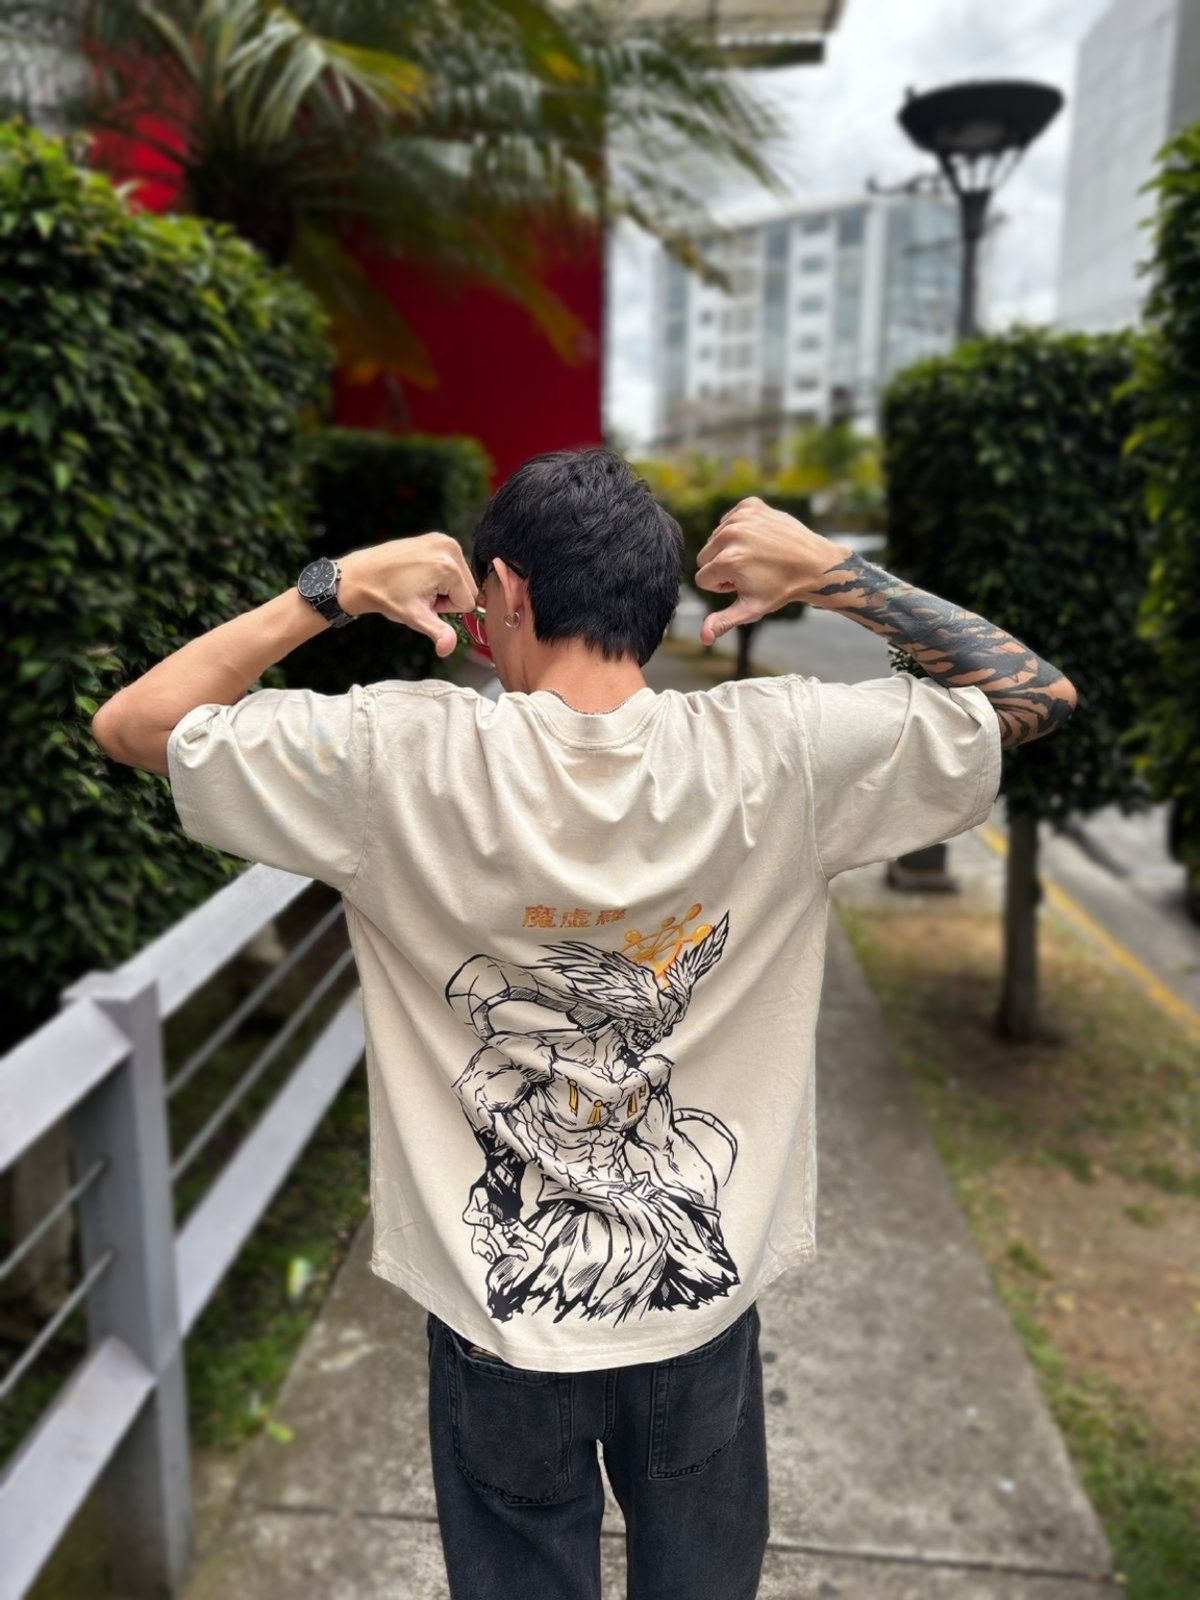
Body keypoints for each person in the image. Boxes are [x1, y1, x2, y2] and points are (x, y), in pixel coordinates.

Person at [91, 446, 1078, 1600]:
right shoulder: (784, 750)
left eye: (486, 609)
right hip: (696, 1320)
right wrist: (831, 574)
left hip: (499, 1327)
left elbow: (135, 723)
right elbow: (1035, 696)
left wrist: (335, 588)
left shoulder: (393, 755)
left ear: (508, 591)